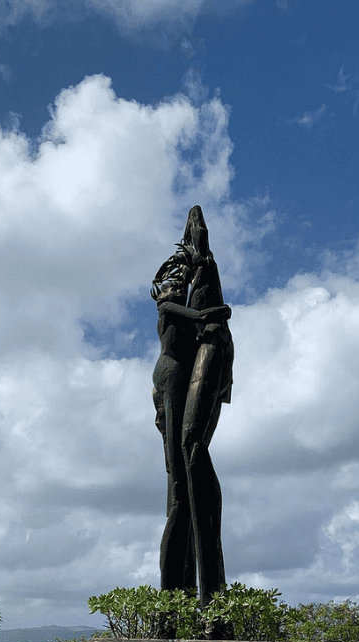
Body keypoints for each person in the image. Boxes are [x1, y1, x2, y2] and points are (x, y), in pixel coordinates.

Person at [151, 207, 233, 605]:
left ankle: (193, 596)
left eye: (179, 279)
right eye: (170, 282)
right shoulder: (168, 306)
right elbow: (198, 314)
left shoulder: (191, 286)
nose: (176, 285)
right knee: (178, 481)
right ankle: (175, 598)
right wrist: (216, 312)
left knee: (186, 466)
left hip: (183, 373)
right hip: (170, 377)